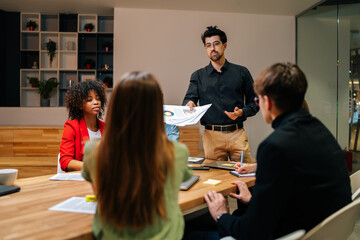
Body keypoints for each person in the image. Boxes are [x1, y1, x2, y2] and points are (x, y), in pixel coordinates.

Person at [201, 63, 352, 239]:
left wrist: (220, 214)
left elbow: (250, 231)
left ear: (269, 102)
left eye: (258, 100)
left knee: (195, 232)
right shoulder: (321, 131)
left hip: (290, 233)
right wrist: (255, 201)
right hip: (320, 229)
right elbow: (302, 182)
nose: (258, 103)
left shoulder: (274, 146)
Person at [81, 72, 192, 239]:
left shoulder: (93, 151)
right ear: (157, 108)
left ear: (115, 107)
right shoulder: (178, 152)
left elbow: (101, 196)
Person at [182, 26, 259, 163]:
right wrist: (190, 104)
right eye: (208, 45)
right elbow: (189, 99)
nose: (212, 48)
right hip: (211, 137)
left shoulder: (241, 72)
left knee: (245, 175)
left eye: (216, 43)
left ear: (225, 45)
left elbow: (255, 102)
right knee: (215, 179)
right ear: (205, 48)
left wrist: (242, 112)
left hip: (237, 134)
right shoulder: (198, 76)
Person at [59, 80, 106, 172]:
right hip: (79, 179)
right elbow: (65, 161)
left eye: (98, 98)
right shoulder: (72, 127)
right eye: (90, 100)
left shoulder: (106, 127)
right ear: (80, 105)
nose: (96, 102)